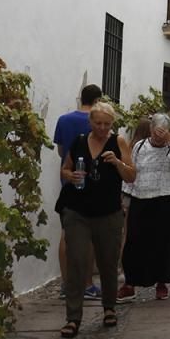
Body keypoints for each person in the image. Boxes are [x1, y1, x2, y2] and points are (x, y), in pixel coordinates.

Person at [55, 101, 135, 338]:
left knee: (108, 262)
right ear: (90, 122)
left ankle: (109, 308)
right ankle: (73, 317)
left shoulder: (118, 142)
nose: (102, 128)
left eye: (106, 124)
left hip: (108, 212)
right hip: (77, 210)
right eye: (98, 123)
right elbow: (65, 169)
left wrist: (117, 162)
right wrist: (70, 175)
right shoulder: (80, 141)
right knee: (77, 260)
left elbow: (131, 175)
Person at [121, 113, 170, 300]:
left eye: (163, 132)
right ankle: (130, 282)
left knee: (163, 242)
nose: (158, 136)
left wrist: (169, 145)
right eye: (156, 131)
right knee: (134, 241)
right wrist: (125, 195)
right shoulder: (139, 146)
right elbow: (132, 171)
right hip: (140, 198)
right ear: (150, 130)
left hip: (164, 199)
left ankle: (162, 282)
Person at [53, 84, 103, 300]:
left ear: (80, 98)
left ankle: (66, 284)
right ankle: (87, 284)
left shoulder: (63, 120)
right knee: (90, 235)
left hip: (69, 180)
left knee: (66, 234)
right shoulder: (98, 121)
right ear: (98, 100)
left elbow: (61, 151)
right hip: (94, 182)